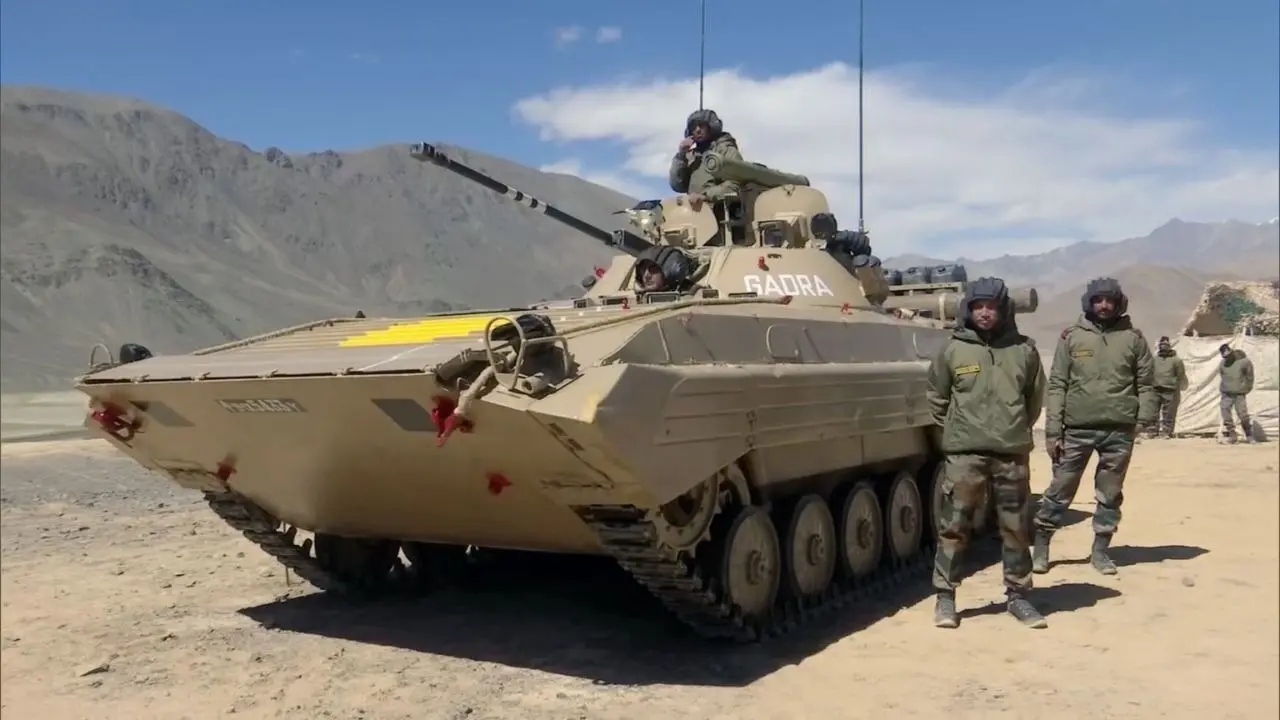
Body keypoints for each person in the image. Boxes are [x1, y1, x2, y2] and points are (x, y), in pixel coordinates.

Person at [926, 277, 1048, 630]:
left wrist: (1012, 429)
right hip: (965, 454)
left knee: (1016, 527)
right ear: (968, 309)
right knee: (955, 525)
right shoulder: (952, 350)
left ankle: (1019, 596)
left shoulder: (1024, 351)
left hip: (1010, 451)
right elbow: (937, 397)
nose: (984, 313)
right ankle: (945, 597)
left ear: (1003, 310)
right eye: (978, 306)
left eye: (991, 307)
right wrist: (960, 430)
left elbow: (1033, 400)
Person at [1034, 277, 1156, 577]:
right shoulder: (1072, 338)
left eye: (1110, 300)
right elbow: (1058, 385)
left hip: (1119, 429)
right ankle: (1041, 546)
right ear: (1089, 303)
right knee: (1060, 490)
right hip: (1076, 429)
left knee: (1110, 493)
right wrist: (1053, 431)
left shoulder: (1133, 339)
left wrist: (1143, 419)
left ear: (1119, 303)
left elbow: (1147, 383)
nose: (1104, 305)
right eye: (1098, 300)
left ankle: (1101, 551)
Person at [668, 109, 743, 211]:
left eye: (701, 125)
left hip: (722, 212)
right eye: (693, 127)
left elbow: (735, 184)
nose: (697, 130)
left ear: (711, 127)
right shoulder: (691, 156)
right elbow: (677, 185)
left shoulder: (724, 149)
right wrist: (681, 156)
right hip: (696, 214)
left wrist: (705, 195)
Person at [1149, 336, 1188, 438]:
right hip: (1156, 388)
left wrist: (1173, 382)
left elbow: (1180, 374)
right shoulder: (1154, 359)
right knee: (1153, 411)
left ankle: (1167, 432)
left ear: (1169, 346)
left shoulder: (1176, 360)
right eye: (1162, 345)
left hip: (1170, 389)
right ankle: (1153, 431)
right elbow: (1150, 371)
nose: (1163, 347)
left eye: (1166, 345)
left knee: (1168, 412)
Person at [1217, 343, 1257, 444]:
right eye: (1225, 356)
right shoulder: (1222, 363)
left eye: (1229, 355)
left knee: (1243, 415)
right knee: (1225, 413)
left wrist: (1247, 387)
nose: (1227, 357)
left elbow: (1250, 375)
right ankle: (1232, 434)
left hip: (1239, 393)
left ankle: (1249, 435)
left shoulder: (1244, 362)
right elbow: (1222, 375)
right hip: (1226, 393)